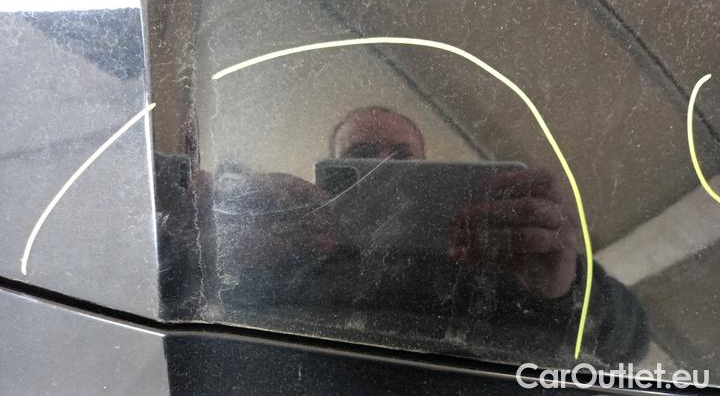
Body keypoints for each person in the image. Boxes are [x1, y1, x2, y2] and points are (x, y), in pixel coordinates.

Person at [212, 106, 648, 366]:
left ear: (429, 168)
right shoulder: (295, 254)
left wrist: (568, 291)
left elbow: (629, 342)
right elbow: (221, 333)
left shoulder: (491, 259)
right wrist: (230, 255)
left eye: (402, 157)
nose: (385, 166)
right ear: (327, 172)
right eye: (361, 157)